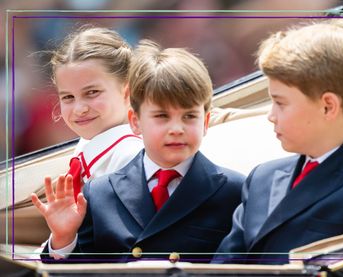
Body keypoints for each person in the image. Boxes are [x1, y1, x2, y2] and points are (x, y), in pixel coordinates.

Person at [213, 19, 343, 264]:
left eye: (280, 103)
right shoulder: (262, 177)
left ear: (328, 106)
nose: (270, 115)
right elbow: (225, 264)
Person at [34, 39, 245, 263]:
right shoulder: (100, 192)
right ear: (135, 121)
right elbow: (84, 267)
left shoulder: (234, 190)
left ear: (206, 122)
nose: (176, 129)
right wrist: (64, 238)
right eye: (161, 116)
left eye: (189, 116)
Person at [30, 26, 144, 254]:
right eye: (68, 97)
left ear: (127, 91)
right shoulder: (85, 149)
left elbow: (122, 250)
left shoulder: (131, 157)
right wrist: (63, 237)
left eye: (92, 93)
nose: (80, 108)